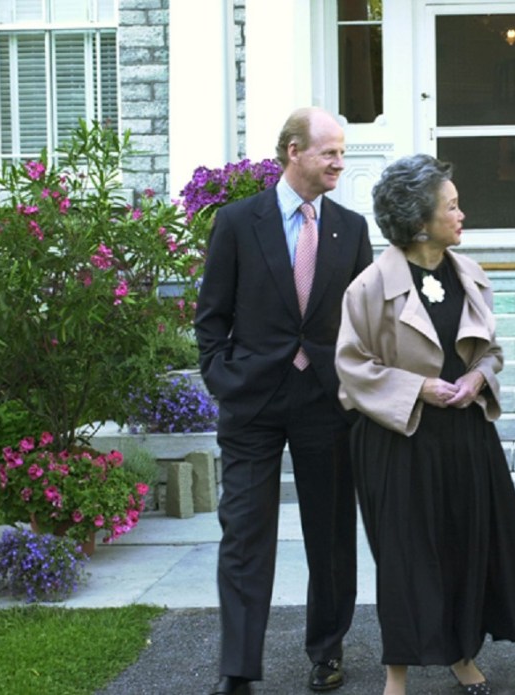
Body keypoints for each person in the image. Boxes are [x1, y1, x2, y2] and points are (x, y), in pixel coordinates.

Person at [335, 154, 515, 695]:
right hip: (399, 438)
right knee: (405, 557)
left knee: (467, 546)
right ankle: (398, 672)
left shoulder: (469, 274)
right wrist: (418, 387)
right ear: (420, 220)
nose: (463, 214)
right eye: (452, 206)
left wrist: (480, 378)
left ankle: (463, 654)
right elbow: (351, 366)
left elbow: (492, 351)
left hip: (466, 435)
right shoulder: (368, 287)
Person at [195, 107, 373, 695]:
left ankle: (327, 651)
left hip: (327, 402)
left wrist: (356, 383)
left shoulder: (350, 228)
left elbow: (365, 320)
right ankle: (239, 667)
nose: (339, 163)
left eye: (342, 153)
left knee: (330, 536)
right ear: (294, 151)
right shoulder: (237, 222)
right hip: (252, 401)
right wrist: (222, 376)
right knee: (244, 535)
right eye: (329, 152)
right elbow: (211, 315)